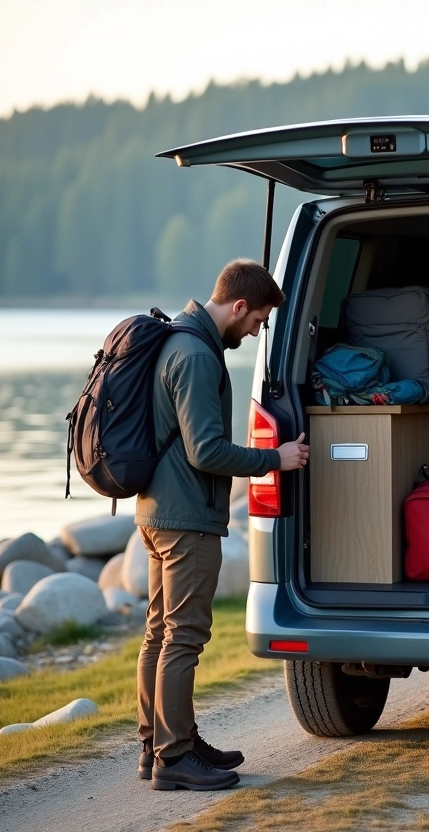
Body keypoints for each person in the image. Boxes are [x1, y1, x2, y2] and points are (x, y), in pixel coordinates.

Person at [135, 258, 309, 791]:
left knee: (160, 633)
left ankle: (162, 742)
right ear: (238, 307)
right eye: (256, 321)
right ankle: (173, 758)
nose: (255, 331)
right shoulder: (195, 356)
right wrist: (273, 459)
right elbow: (206, 451)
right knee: (183, 637)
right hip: (186, 518)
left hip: (159, 512)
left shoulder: (179, 340)